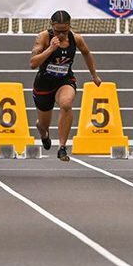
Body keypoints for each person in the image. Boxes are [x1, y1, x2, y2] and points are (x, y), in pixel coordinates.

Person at [29, 10, 101, 161]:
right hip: (44, 85)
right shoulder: (43, 37)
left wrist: (94, 75)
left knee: (66, 104)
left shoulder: (77, 39)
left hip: (65, 81)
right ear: (51, 27)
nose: (61, 35)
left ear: (69, 26)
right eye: (57, 31)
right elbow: (33, 63)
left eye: (64, 31)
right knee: (43, 125)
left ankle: (62, 147)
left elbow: (86, 53)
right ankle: (44, 133)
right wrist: (50, 49)